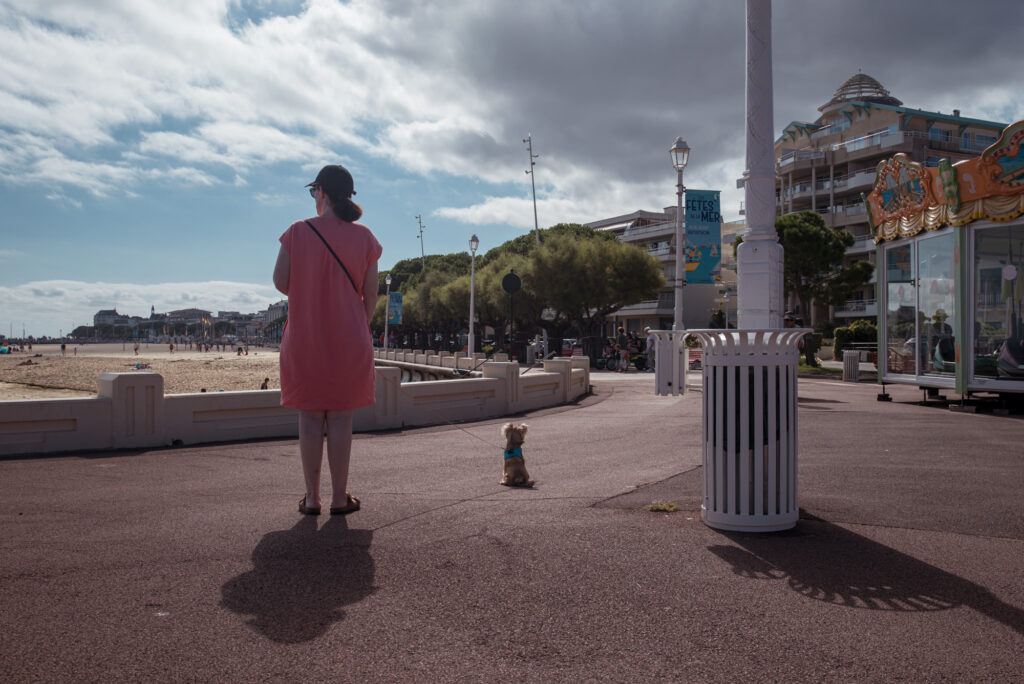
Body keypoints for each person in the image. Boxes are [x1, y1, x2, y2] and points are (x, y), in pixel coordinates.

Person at [274, 164, 381, 517]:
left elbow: (280, 281)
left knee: (308, 418)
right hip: (350, 339)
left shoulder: (297, 231)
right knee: (340, 419)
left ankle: (311, 498)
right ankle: (339, 497)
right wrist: (357, 326)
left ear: (321, 192)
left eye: (313, 192)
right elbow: (370, 293)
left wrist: (309, 286)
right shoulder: (365, 237)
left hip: (305, 338)